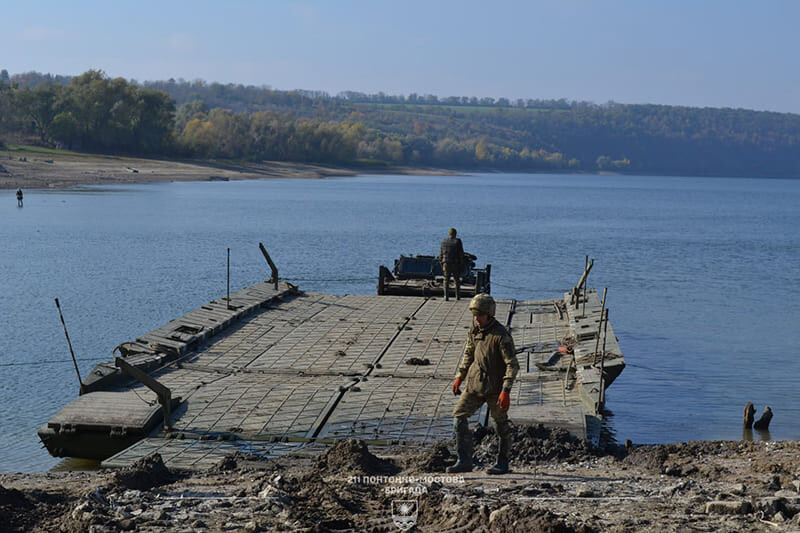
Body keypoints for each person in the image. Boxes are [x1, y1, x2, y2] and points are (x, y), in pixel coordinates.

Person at [447, 293, 520, 475]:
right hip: (474, 384)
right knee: (459, 418)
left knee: (500, 424)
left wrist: (506, 390)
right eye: (474, 314)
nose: (476, 318)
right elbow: (468, 353)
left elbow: (512, 365)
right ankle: (464, 461)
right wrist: (460, 376)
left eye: (479, 315)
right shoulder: (474, 329)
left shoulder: (501, 336)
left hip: (495, 388)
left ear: (489, 314)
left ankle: (502, 463)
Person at [439, 228, 464, 300]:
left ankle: (446, 296)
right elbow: (461, 254)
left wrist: (442, 263)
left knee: (446, 280)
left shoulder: (444, 241)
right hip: (455, 264)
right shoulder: (457, 241)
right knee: (456, 280)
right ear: (455, 233)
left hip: (446, 263)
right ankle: (457, 296)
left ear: (449, 233)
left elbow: (441, 254)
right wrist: (461, 264)